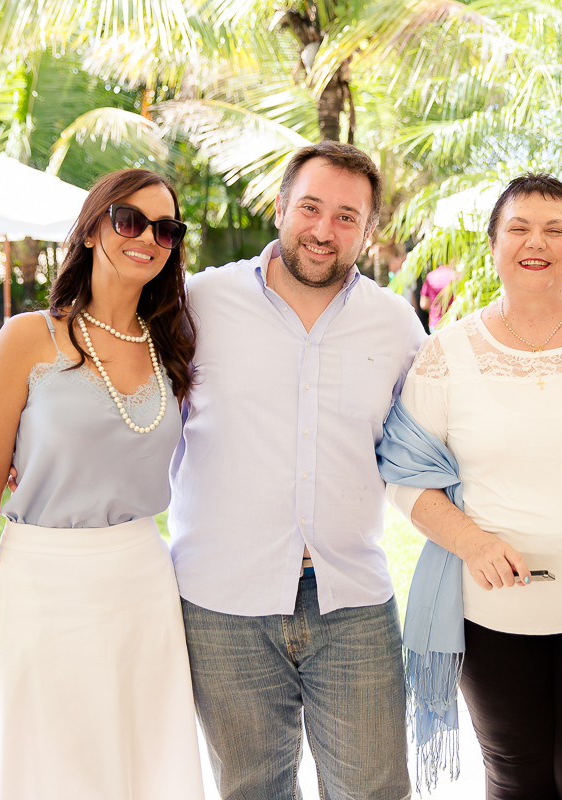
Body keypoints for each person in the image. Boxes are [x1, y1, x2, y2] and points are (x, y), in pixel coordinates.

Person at [379, 174, 562, 799]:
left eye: (555, 230)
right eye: (519, 229)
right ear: (494, 244)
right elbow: (403, 474)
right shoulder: (447, 353)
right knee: (516, 779)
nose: (537, 243)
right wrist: (472, 542)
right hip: (492, 615)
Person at [170, 142, 425, 800]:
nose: (323, 230)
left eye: (347, 217)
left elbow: (438, 438)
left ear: (368, 231)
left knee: (376, 792)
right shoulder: (199, 303)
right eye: (310, 208)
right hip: (222, 603)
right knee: (250, 791)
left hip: (351, 600)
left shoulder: (396, 325)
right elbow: (129, 396)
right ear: (280, 207)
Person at [0, 169, 205, 800]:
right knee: (44, 765)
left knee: (139, 762)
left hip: (142, 584)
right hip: (41, 583)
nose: (147, 238)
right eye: (129, 220)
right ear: (91, 230)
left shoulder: (174, 344)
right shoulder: (27, 337)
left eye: (165, 229)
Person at [419, 263, 457, 330]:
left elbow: (424, 304)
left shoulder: (431, 276)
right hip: (454, 322)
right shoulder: (456, 276)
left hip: (436, 323)